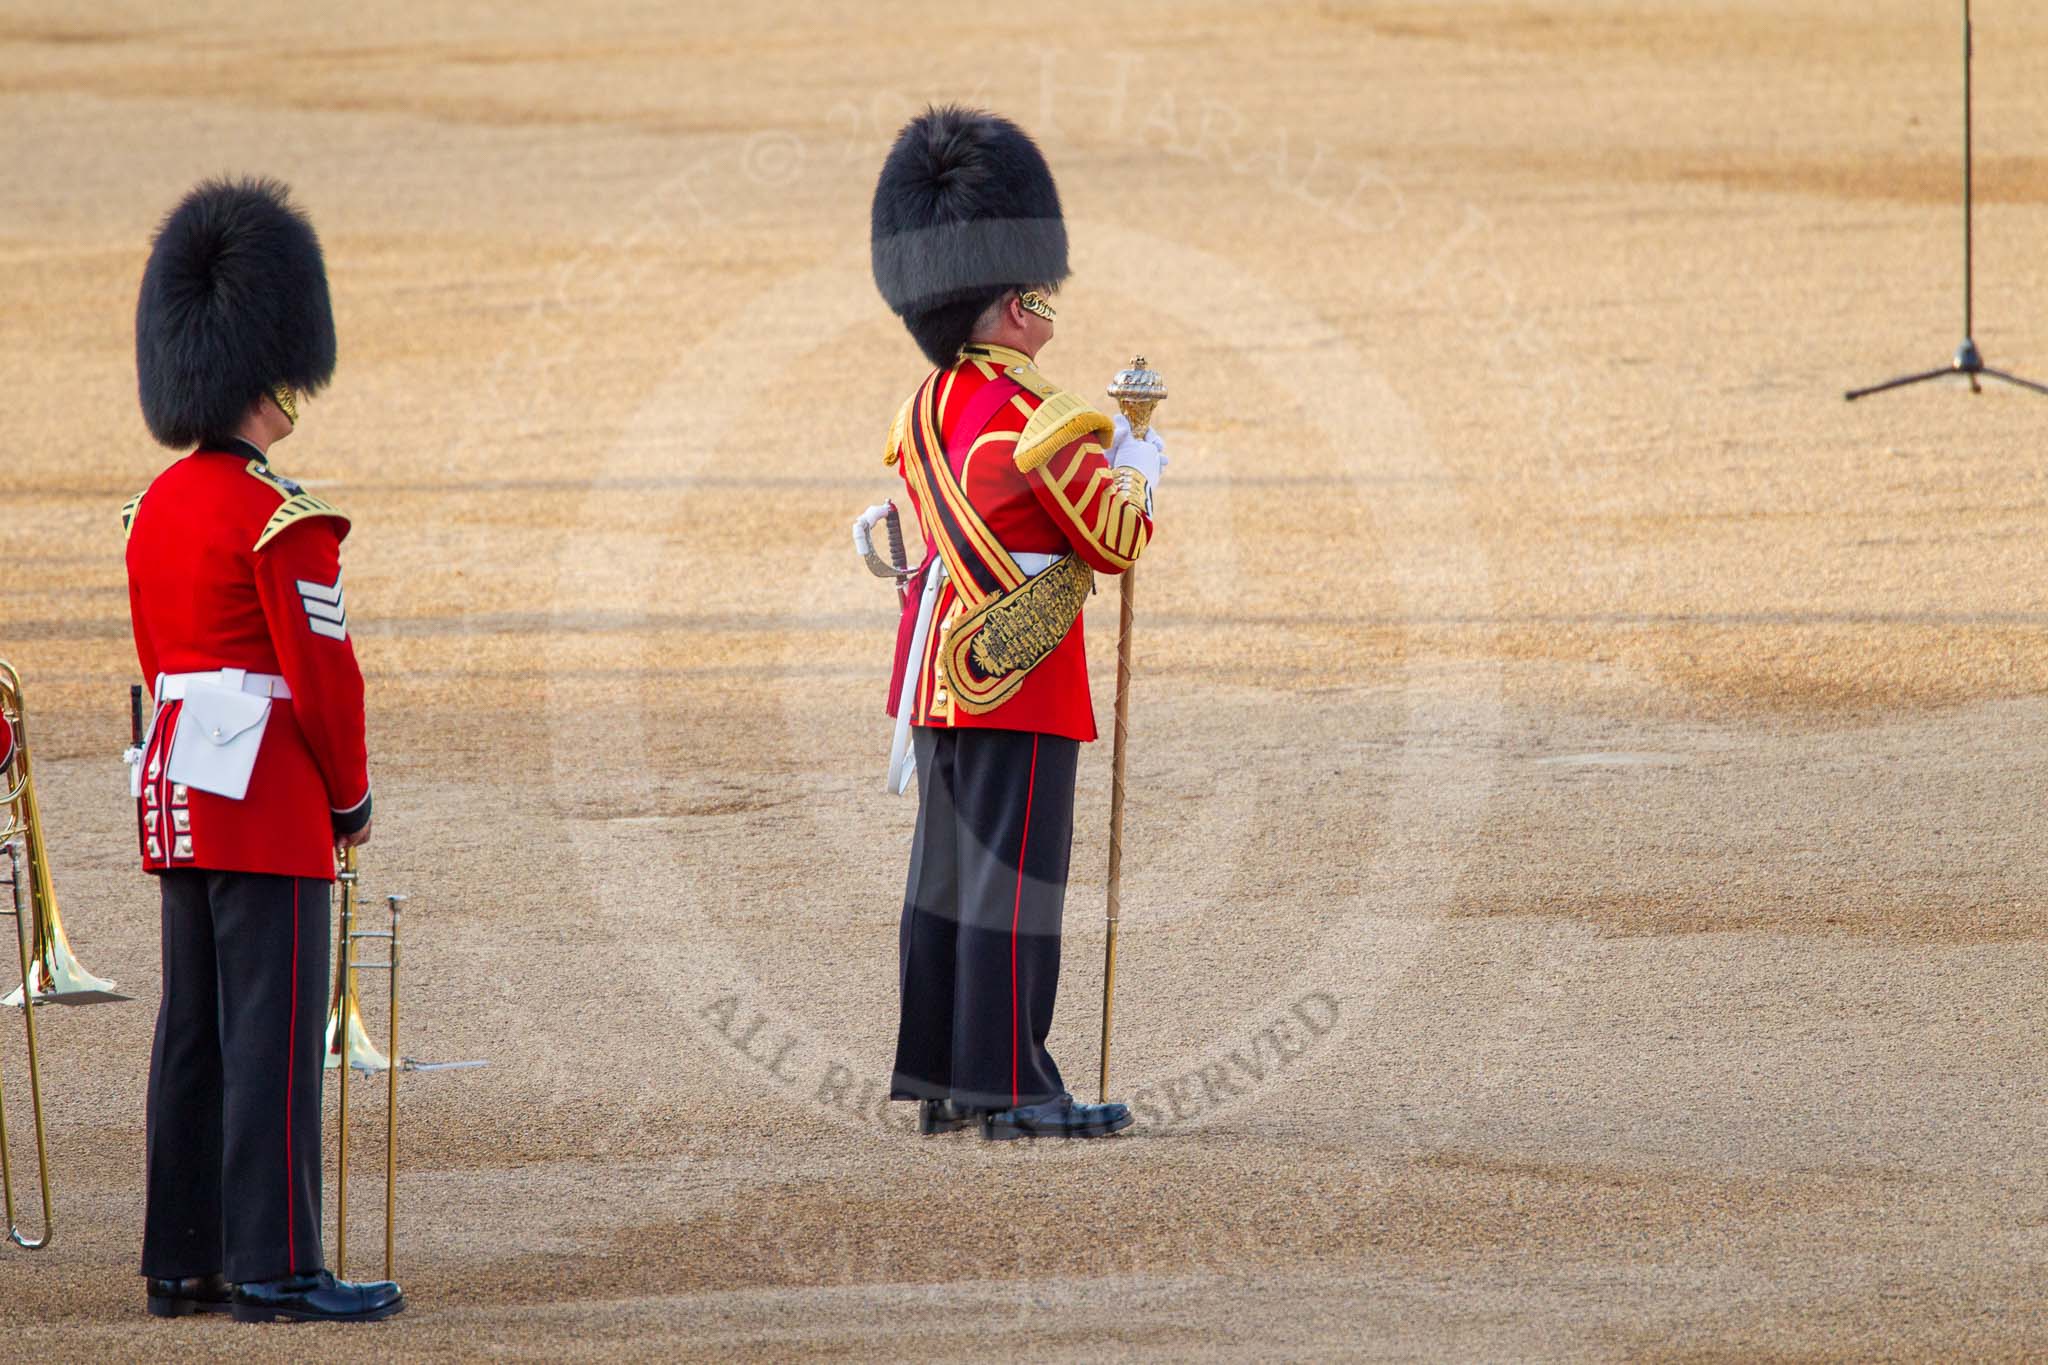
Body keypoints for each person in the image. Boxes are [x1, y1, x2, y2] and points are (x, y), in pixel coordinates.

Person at [125, 178, 402, 1323]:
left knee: (194, 1031)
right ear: (266, 372)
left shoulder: (154, 505)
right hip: (270, 796)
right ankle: (276, 1264)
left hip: (183, 786)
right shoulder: (280, 518)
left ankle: (181, 1257)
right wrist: (350, 796)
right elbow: (324, 684)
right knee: (275, 1036)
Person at [870, 107, 1167, 1140]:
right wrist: (1138, 461)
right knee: (1018, 884)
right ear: (1009, 303)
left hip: (943, 674)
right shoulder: (1043, 421)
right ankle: (1014, 1086)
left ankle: (946, 1077)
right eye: (1037, 292)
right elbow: (1114, 542)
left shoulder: (926, 408)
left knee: (947, 878)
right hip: (1022, 673)